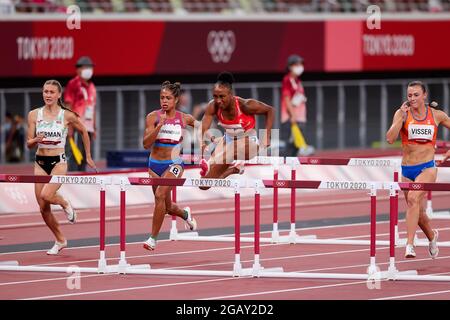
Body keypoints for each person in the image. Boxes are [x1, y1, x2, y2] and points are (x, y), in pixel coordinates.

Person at [27, 80, 96, 255]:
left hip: (58, 162)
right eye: (45, 92)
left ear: (59, 95)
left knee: (46, 194)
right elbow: (28, 144)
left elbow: (84, 132)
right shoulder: (34, 115)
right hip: (40, 163)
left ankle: (65, 203)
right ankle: (60, 239)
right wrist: (35, 140)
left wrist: (87, 156)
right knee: (43, 207)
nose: (48, 95)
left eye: (51, 92)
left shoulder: (67, 115)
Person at [386, 80, 450, 259]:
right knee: (418, 211)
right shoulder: (402, 114)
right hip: (407, 169)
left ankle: (409, 245)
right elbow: (390, 138)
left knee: (414, 199)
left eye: (415, 95)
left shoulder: (436, 115)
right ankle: (432, 236)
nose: (412, 98)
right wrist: (400, 117)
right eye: (409, 95)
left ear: (424, 96)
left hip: (428, 167)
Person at [142, 81, 198, 251]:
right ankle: (185, 214)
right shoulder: (152, 117)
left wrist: (212, 140)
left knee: (160, 195)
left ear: (176, 100)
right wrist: (159, 126)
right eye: (162, 97)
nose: (164, 101)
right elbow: (145, 144)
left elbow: (202, 127)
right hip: (154, 165)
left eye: (168, 98)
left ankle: (152, 239)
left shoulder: (184, 118)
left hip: (174, 164)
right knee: (166, 207)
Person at [198, 72, 274, 187]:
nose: (218, 100)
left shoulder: (246, 105)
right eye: (215, 96)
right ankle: (234, 169)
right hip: (228, 141)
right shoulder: (213, 106)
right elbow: (203, 127)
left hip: (248, 142)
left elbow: (270, 110)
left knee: (232, 148)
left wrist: (267, 135)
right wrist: (202, 144)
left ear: (230, 94)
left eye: (222, 96)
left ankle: (210, 164)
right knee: (204, 184)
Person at [64, 56, 97, 172]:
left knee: (85, 155)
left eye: (90, 67)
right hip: (77, 126)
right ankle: (73, 178)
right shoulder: (73, 84)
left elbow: (92, 108)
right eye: (86, 67)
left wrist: (94, 128)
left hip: (88, 128)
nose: (89, 70)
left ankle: (82, 178)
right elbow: (68, 105)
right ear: (78, 69)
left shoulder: (92, 87)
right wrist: (69, 126)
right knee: (75, 155)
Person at [281, 54, 314, 156]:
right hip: (292, 119)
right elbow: (286, 99)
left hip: (300, 118)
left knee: (296, 148)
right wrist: (293, 115)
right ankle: (283, 169)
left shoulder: (298, 81)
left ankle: (292, 170)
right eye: (297, 64)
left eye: (301, 64)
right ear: (290, 66)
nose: (300, 66)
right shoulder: (287, 80)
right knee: (290, 147)